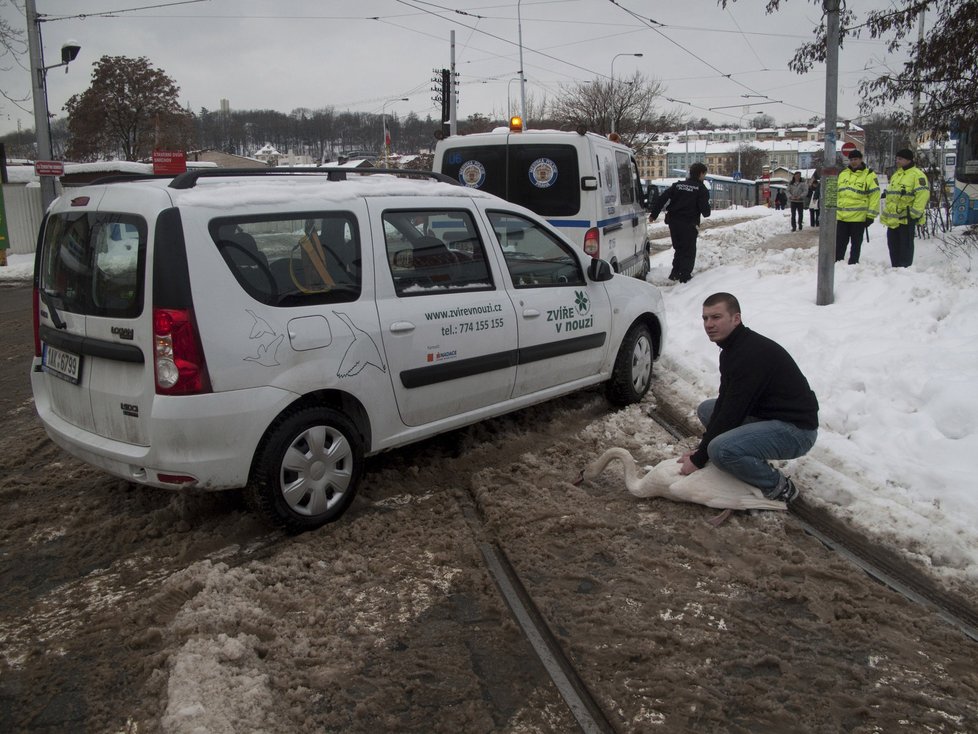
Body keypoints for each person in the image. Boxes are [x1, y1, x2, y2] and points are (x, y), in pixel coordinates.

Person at [678, 292, 819, 503]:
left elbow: (732, 413)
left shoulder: (750, 354)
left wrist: (699, 459)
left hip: (797, 432)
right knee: (707, 409)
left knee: (721, 450)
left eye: (716, 317)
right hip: (768, 418)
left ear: (736, 318)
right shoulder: (732, 350)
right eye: (705, 318)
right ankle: (746, 455)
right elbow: (725, 402)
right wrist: (701, 448)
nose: (708, 324)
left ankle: (779, 487)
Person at [649, 161, 711, 283]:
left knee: (679, 248)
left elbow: (663, 198)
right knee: (688, 250)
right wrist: (705, 208)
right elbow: (706, 212)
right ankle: (685, 276)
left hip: (674, 222)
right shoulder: (701, 189)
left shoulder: (678, 185)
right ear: (701, 174)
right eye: (704, 174)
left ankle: (675, 273)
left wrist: (653, 214)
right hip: (688, 223)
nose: (704, 177)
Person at [881, 148, 930, 267]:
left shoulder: (917, 175)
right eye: (897, 158)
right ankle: (895, 269)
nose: (897, 161)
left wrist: (913, 214)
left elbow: (922, 195)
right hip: (893, 221)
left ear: (908, 160)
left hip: (906, 219)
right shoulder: (897, 175)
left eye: (900, 159)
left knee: (905, 248)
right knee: (893, 248)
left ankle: (904, 271)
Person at [835, 149, 880, 264]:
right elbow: (837, 194)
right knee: (840, 243)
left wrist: (870, 215)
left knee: (856, 244)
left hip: (858, 218)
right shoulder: (843, 174)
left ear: (861, 159)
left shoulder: (869, 175)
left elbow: (874, 196)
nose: (853, 162)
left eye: (856, 159)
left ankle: (853, 263)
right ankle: (838, 262)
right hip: (842, 217)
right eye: (851, 160)